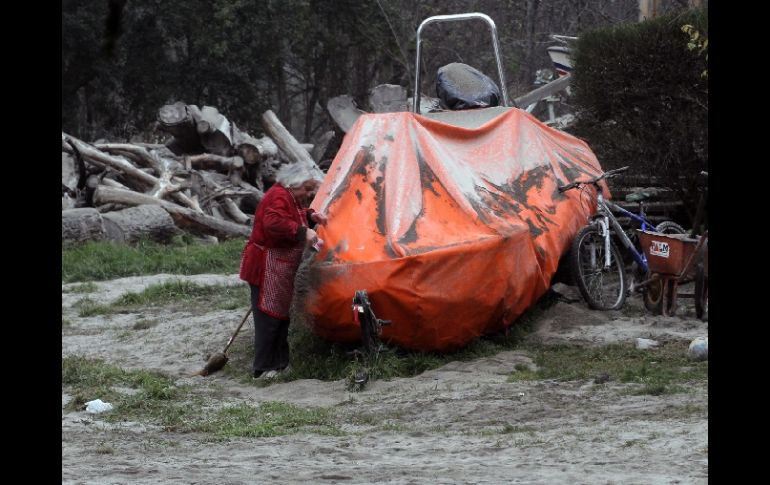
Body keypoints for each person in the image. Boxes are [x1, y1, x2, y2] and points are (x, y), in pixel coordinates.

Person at [238, 162, 328, 379]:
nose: (309, 193)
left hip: (279, 266)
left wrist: (311, 216)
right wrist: (302, 232)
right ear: (293, 184)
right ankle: (264, 367)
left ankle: (280, 363)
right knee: (268, 317)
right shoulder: (278, 196)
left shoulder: (290, 196)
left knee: (279, 316)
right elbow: (274, 223)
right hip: (264, 265)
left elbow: (294, 213)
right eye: (306, 188)